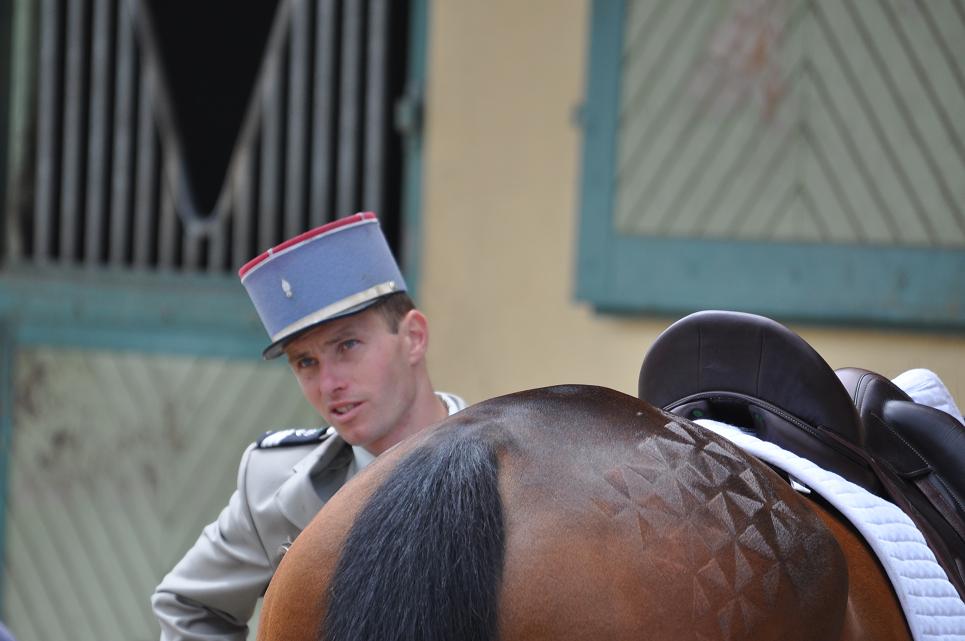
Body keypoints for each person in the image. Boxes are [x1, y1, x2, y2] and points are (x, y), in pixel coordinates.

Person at [151, 212, 466, 640]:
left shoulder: (514, 471)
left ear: (413, 337)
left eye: (348, 345)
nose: (329, 383)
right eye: (306, 362)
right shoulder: (275, 486)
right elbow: (189, 605)